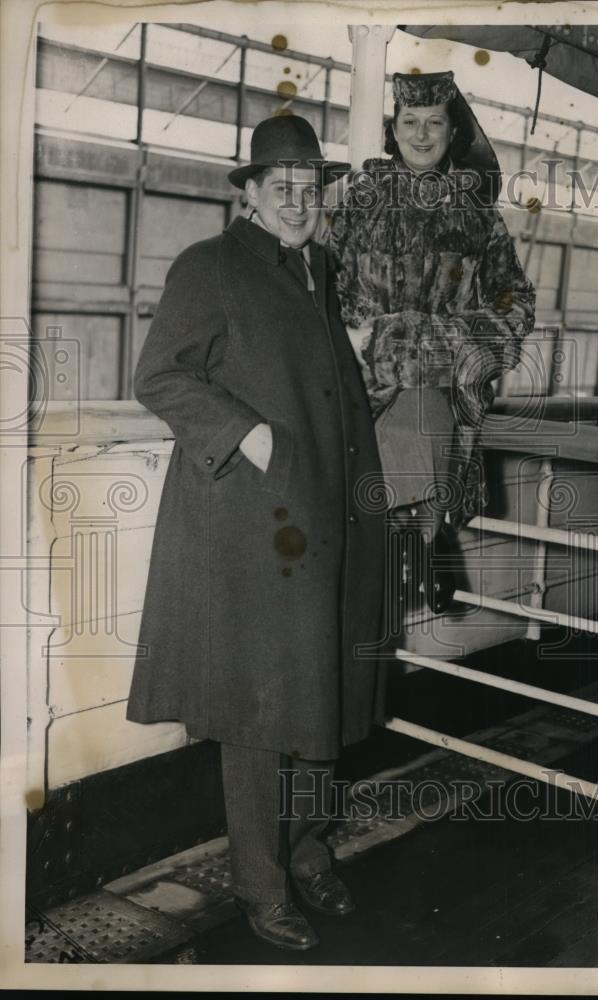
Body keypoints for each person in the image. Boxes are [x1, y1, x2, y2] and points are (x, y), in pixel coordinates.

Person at [125, 115, 385, 952]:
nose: (297, 201)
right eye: (280, 186)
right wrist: (248, 433)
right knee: (258, 716)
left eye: (310, 189)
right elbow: (159, 373)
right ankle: (259, 886)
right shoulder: (210, 267)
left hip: (327, 524)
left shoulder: (321, 270)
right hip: (256, 531)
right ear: (246, 192)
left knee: (324, 704)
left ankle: (306, 852)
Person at [324, 70, 535, 617]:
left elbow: (518, 306)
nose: (421, 135)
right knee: (359, 561)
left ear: (451, 129)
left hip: (437, 405)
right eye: (409, 123)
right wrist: (365, 344)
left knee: (402, 562)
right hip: (359, 400)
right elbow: (320, 297)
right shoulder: (357, 204)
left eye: (434, 122)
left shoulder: (477, 216)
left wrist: (437, 343)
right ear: (393, 129)